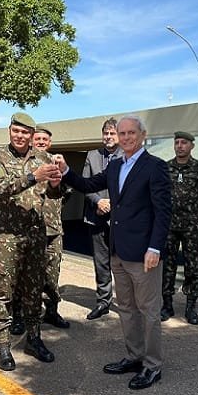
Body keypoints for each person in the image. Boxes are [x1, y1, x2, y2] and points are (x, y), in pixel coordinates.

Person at [56, 114, 171, 390]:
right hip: (119, 251)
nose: (127, 137)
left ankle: (152, 365)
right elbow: (87, 186)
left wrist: (155, 247)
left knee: (149, 311)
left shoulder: (155, 167)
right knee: (127, 309)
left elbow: (163, 212)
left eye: (132, 132)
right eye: (122, 133)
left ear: (142, 135)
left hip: (144, 254)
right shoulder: (116, 165)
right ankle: (133, 356)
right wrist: (65, 170)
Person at [0, 112, 63, 372]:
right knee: (4, 292)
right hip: (8, 236)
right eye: (16, 131)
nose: (20, 136)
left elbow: (53, 194)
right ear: (10, 131)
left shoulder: (42, 158)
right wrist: (33, 176)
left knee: (33, 291)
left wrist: (54, 183)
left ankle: (33, 338)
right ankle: (3, 345)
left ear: (32, 135)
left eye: (25, 132)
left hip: (35, 234)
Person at [9, 126, 70, 334]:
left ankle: (51, 311)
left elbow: (66, 191)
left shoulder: (54, 162)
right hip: (30, 229)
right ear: (32, 140)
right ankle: (18, 317)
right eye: (38, 138)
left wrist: (57, 182)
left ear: (50, 143)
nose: (41, 142)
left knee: (52, 277)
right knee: (22, 277)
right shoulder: (25, 164)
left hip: (53, 229)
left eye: (45, 139)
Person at [161, 131, 198, 324]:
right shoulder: (164, 168)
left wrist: (194, 213)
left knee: (193, 266)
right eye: (177, 142)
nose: (180, 146)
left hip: (191, 225)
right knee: (167, 265)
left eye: (184, 143)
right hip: (169, 225)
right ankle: (167, 305)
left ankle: (191, 307)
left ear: (192, 145)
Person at [82, 118, 123, 320]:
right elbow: (85, 184)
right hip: (96, 218)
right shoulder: (92, 155)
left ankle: (126, 305)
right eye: (105, 133)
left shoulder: (128, 156)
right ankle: (103, 302)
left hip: (122, 222)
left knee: (123, 264)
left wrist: (112, 204)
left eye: (112, 133)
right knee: (101, 264)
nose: (108, 137)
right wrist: (98, 202)